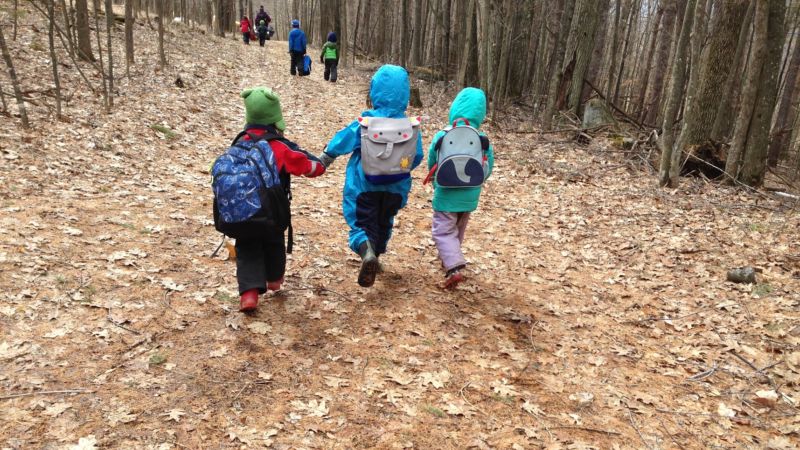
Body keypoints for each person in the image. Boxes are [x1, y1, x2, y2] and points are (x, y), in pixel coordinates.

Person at [219, 87, 327, 312]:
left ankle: (249, 294)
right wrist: (322, 163)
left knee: (247, 247)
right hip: (270, 213)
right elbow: (310, 167)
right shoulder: (278, 146)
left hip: (241, 213)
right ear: (275, 118)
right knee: (274, 243)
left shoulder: (239, 143)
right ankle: (274, 280)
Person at [318, 65, 423, 287]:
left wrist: (326, 157)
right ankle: (377, 253)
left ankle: (367, 251)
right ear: (405, 94)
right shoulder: (411, 128)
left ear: (374, 91)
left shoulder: (366, 124)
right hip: (396, 189)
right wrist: (398, 167)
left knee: (361, 223)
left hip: (364, 186)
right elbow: (417, 156)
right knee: (384, 222)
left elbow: (342, 141)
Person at [425, 88, 494, 289]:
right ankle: (449, 258)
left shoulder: (443, 134)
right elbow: (487, 166)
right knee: (457, 230)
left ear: (454, 108)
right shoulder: (481, 138)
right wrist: (477, 183)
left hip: (446, 192)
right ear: (481, 113)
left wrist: (434, 177)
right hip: (470, 195)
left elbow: (432, 159)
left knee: (442, 231)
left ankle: (453, 267)